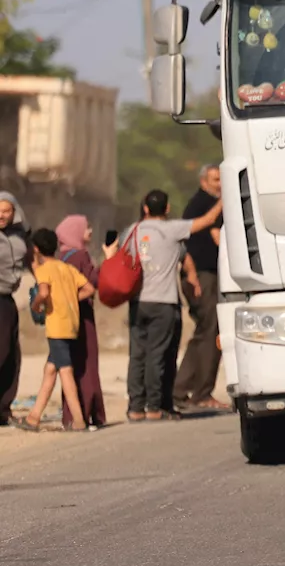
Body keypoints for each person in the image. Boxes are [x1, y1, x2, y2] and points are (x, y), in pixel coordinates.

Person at [125, 189, 223, 422]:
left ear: (145, 208)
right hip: (164, 303)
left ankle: (135, 407)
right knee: (158, 355)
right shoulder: (171, 230)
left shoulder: (132, 231)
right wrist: (224, 197)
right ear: (167, 209)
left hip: (138, 302)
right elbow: (208, 221)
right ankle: (155, 407)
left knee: (138, 355)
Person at [15, 229, 96, 432]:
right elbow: (89, 289)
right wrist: (69, 299)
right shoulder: (66, 268)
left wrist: (36, 305)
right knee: (50, 369)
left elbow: (43, 292)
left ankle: (78, 420)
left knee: (65, 371)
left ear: (36, 249)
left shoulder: (45, 270)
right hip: (71, 324)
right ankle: (34, 417)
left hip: (57, 327)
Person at [175, 165, 226, 411]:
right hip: (202, 278)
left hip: (211, 276)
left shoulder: (213, 204)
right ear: (204, 181)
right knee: (208, 334)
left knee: (207, 333)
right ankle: (200, 393)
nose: (220, 183)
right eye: (216, 179)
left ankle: (183, 389)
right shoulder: (202, 204)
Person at [55, 215, 110, 429]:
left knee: (70, 365)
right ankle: (89, 413)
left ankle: (71, 415)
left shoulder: (62, 257)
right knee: (87, 363)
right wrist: (108, 260)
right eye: (86, 227)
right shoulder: (81, 255)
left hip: (65, 317)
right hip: (83, 316)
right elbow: (93, 281)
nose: (90, 231)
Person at [0, 192, 29, 426]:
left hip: (8, 300)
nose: (1, 215)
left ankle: (4, 408)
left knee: (11, 356)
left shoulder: (20, 236)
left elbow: (34, 261)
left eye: (6, 210)